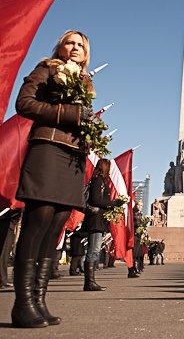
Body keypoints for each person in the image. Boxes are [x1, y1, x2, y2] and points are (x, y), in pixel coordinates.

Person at [11, 31, 99, 328]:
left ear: (86, 53)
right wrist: (69, 114)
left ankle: (39, 300)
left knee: (57, 223)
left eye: (81, 45)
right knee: (39, 219)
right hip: (48, 148)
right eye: (70, 42)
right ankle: (22, 304)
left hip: (73, 156)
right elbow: (24, 104)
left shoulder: (86, 81)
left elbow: (79, 117)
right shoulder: (47, 69)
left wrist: (90, 126)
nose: (75, 48)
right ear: (60, 46)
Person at [82, 159, 126, 290]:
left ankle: (90, 282)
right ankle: (89, 283)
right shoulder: (97, 181)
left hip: (99, 219)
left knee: (94, 250)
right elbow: (96, 200)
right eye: (110, 167)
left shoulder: (101, 181)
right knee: (93, 250)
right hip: (95, 219)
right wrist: (114, 203)